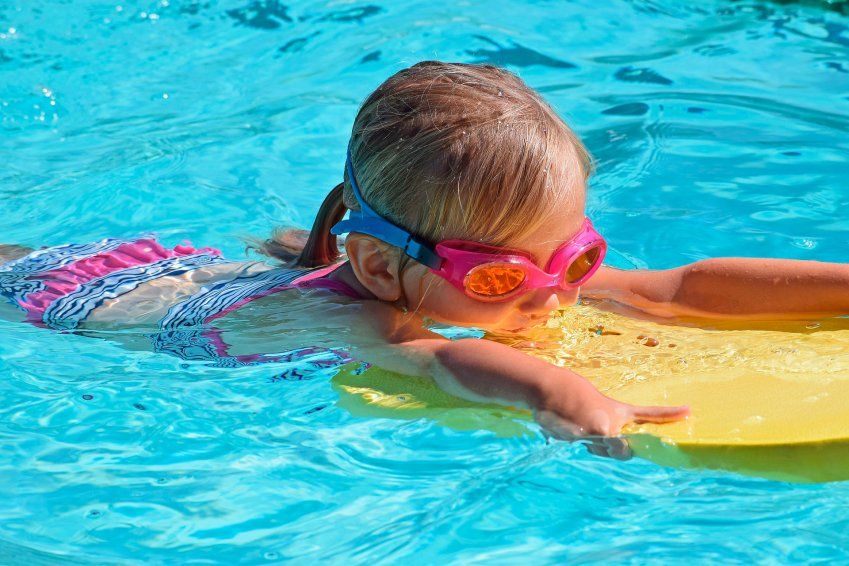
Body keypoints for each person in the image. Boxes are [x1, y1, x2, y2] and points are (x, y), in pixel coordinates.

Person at [3, 62, 848, 439]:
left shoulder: (525, 279)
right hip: (76, 304)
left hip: (180, 273)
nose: (554, 296)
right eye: (499, 276)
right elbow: (441, 366)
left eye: (577, 258)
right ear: (379, 269)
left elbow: (678, 290)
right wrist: (567, 398)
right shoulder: (364, 320)